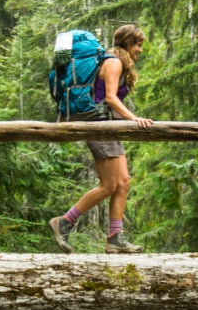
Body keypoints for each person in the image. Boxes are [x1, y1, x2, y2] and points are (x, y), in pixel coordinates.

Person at [48, 24, 153, 254]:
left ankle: (115, 237)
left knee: (123, 182)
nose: (140, 50)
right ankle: (64, 221)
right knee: (109, 185)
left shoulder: (115, 63)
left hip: (108, 127)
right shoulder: (113, 62)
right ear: (126, 43)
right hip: (99, 126)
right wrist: (136, 119)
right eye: (137, 44)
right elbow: (110, 98)